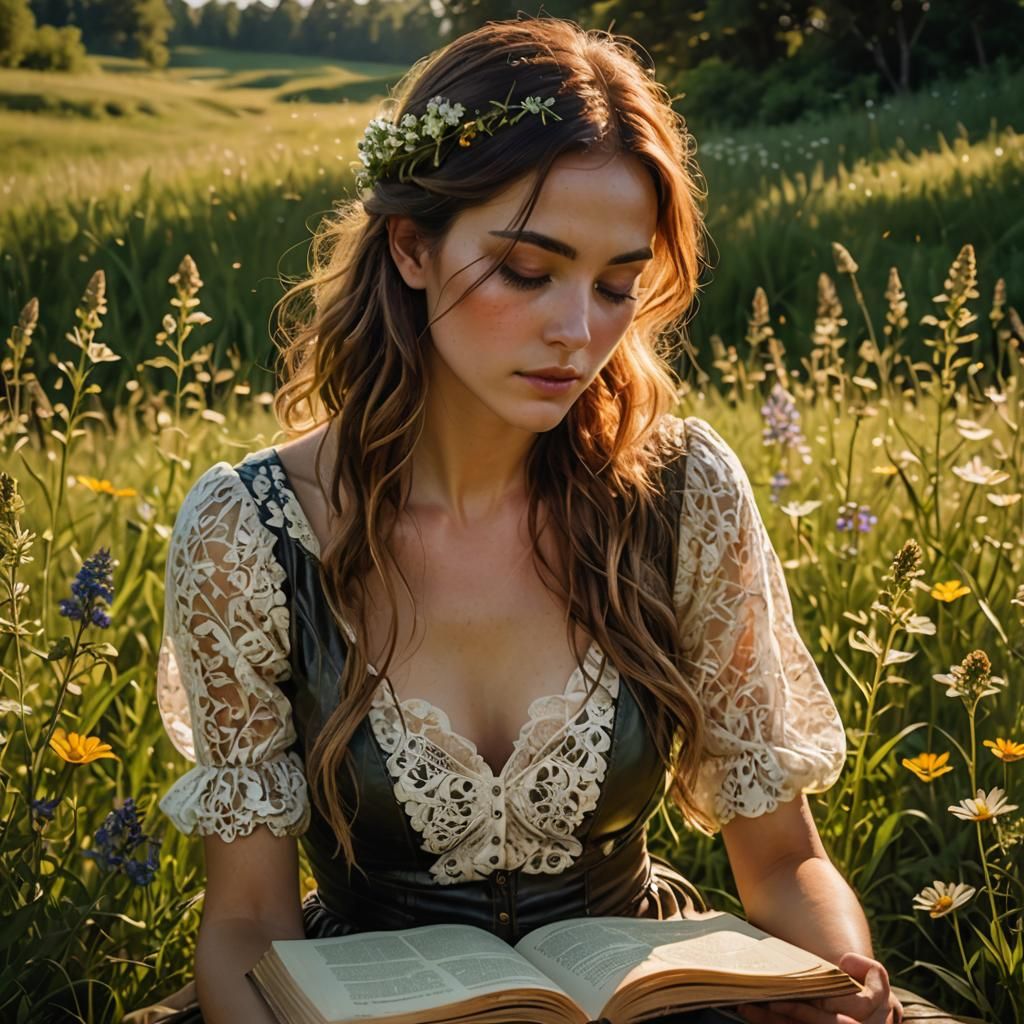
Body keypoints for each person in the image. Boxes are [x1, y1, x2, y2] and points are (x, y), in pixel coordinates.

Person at [134, 17, 906, 1024]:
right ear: (411, 246)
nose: (578, 331)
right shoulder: (250, 532)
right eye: (528, 272)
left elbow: (783, 858)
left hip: (648, 1002)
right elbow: (245, 921)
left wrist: (837, 977)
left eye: (617, 284)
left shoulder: (682, 495)